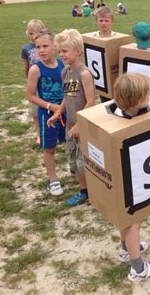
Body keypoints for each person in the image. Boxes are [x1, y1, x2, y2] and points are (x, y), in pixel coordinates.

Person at [113, 73, 150, 282]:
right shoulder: (126, 122)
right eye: (147, 94)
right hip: (130, 180)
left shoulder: (119, 111)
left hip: (124, 180)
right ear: (138, 100)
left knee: (125, 218)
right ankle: (138, 269)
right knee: (134, 221)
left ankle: (125, 248)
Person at [47, 29, 95, 207]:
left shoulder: (84, 74)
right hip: (70, 125)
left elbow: (91, 101)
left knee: (84, 163)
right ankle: (84, 191)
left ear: (78, 51)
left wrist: (80, 125)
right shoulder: (64, 73)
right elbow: (67, 97)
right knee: (73, 160)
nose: (61, 55)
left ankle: (96, 192)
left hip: (83, 126)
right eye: (59, 51)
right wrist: (58, 112)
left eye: (65, 51)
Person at [26, 29, 66, 196]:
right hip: (47, 115)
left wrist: (63, 106)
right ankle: (53, 179)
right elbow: (30, 95)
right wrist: (51, 106)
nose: (41, 50)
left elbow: (70, 88)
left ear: (55, 47)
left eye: (45, 46)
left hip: (66, 111)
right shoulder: (36, 69)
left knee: (71, 141)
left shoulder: (64, 64)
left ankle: (74, 167)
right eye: (38, 47)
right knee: (49, 148)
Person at [21, 19, 46, 144]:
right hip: (34, 84)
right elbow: (26, 66)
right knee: (35, 111)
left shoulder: (47, 45)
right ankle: (39, 133)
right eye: (31, 33)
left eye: (37, 32)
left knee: (48, 106)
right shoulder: (26, 48)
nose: (34, 36)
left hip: (47, 81)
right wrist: (30, 81)